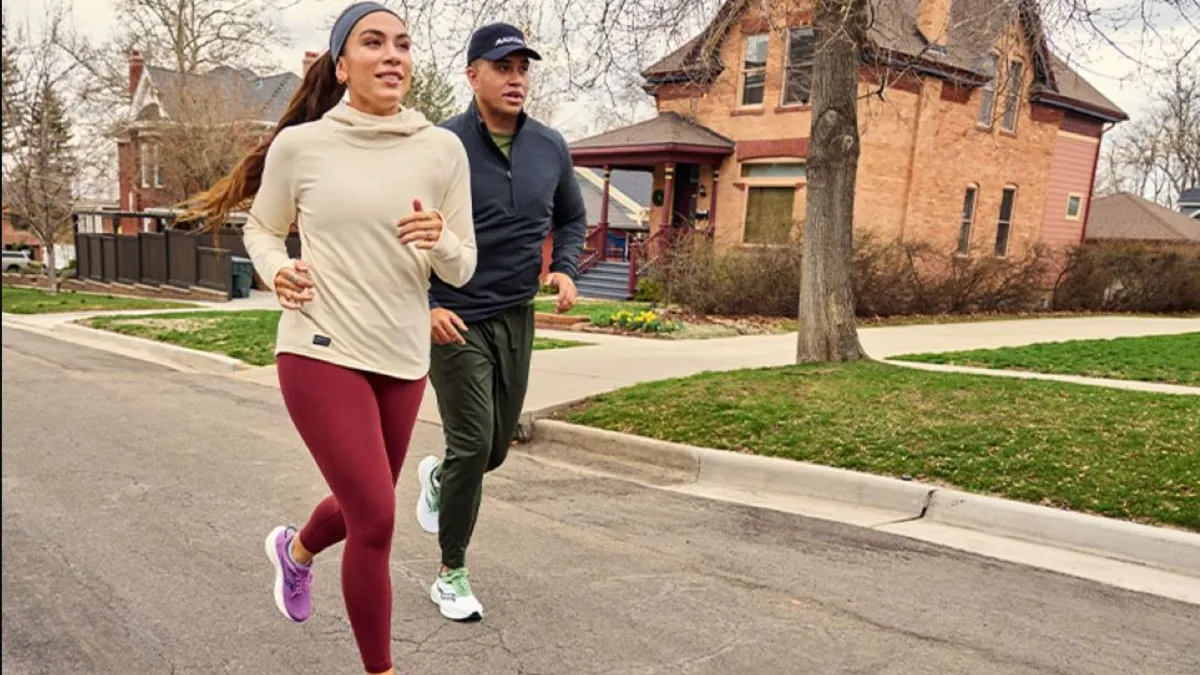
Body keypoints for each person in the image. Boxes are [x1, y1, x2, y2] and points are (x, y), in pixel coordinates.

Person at [182, 3, 477, 674]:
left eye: (402, 43)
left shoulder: (441, 150)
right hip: (318, 348)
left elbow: (463, 266)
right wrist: (279, 268)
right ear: (342, 65)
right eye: (373, 42)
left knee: (357, 506)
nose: (392, 54)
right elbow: (262, 227)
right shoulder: (303, 145)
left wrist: (443, 239)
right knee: (375, 517)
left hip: (402, 356)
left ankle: (295, 551)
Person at [413, 22, 587, 623]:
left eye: (522, 68)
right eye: (503, 67)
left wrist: (564, 269)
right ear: (473, 75)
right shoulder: (441, 146)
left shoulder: (549, 146)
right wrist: (425, 305)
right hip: (453, 317)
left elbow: (570, 216)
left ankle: (440, 480)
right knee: (471, 441)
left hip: (517, 313)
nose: (516, 79)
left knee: (493, 449)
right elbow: (404, 231)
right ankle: (450, 572)